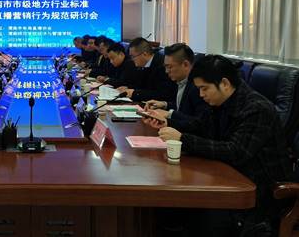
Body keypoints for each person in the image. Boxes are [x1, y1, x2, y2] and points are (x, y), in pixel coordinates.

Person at [144, 55, 292, 236]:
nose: (201, 95)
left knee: (190, 213)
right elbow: (200, 126)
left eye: (204, 88)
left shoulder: (257, 109)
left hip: (261, 194)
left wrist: (183, 139)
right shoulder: (221, 101)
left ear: (224, 83)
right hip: (228, 178)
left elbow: (235, 151)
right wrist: (168, 124)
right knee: (167, 208)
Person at [144, 43, 209, 126]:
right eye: (165, 67)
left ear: (185, 64)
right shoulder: (180, 80)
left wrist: (170, 114)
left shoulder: (198, 87)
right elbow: (183, 107)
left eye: (169, 67)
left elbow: (199, 122)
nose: (166, 71)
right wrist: (164, 104)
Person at [117, 37, 176, 102]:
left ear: (144, 54)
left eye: (133, 56)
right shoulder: (143, 65)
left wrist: (135, 93)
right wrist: (128, 88)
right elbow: (142, 86)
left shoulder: (161, 65)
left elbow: (162, 94)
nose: (132, 59)